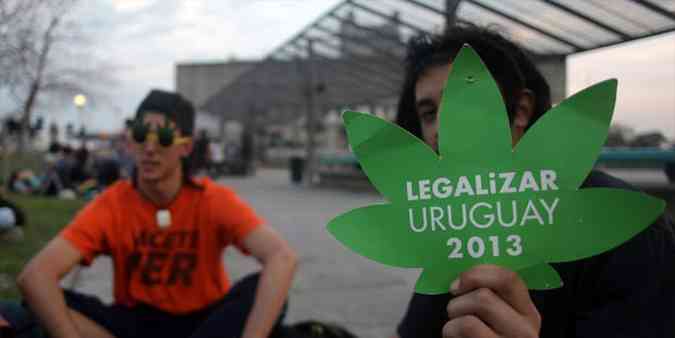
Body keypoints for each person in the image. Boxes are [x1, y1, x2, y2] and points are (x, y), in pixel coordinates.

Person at [393, 24, 675, 338]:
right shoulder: (454, 225)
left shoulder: (622, 224)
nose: (443, 128)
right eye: (429, 114)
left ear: (521, 110)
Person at [17, 89, 297, 338]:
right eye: (141, 136)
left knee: (267, 291)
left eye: (164, 137)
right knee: (35, 305)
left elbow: (282, 257)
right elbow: (35, 276)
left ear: (186, 147)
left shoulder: (212, 200)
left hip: (205, 322)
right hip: (137, 322)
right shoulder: (113, 204)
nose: (149, 149)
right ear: (130, 142)